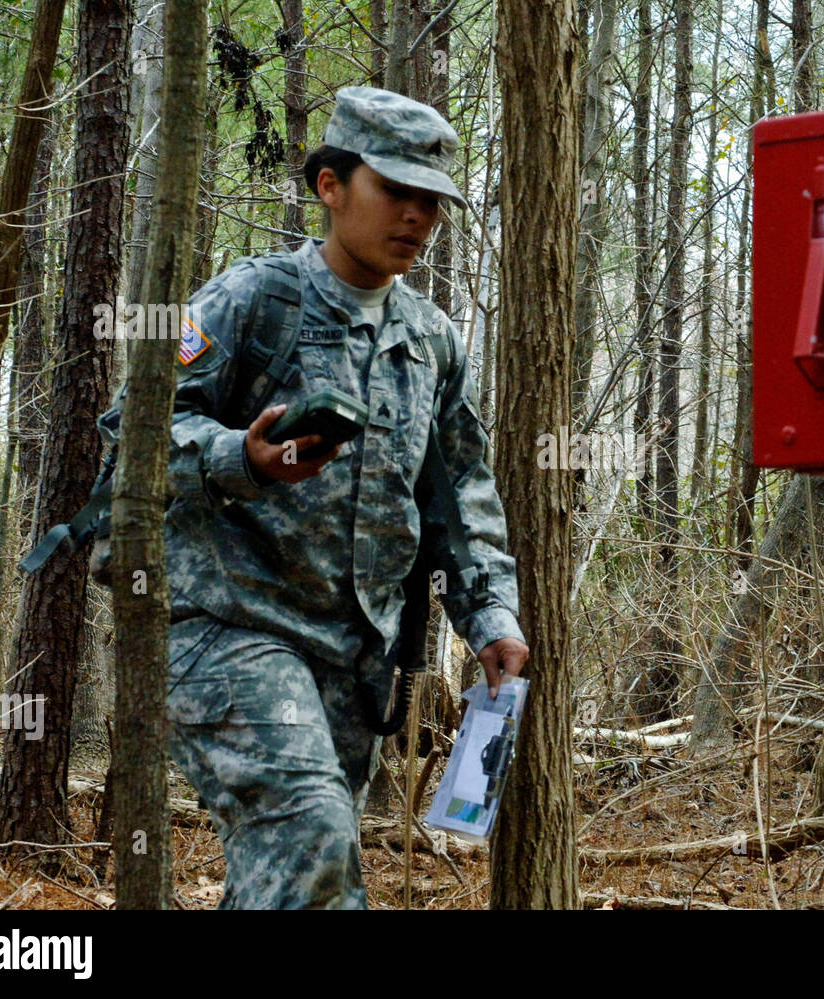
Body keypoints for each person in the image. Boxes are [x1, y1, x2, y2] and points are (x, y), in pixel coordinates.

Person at [140, 87, 528, 908]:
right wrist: (240, 456)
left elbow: (459, 495)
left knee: (302, 873)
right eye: (396, 191)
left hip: (354, 659)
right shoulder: (249, 301)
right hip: (229, 630)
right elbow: (135, 431)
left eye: (433, 201)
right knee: (311, 832)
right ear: (330, 186)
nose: (418, 216)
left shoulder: (431, 341)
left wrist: (491, 617)